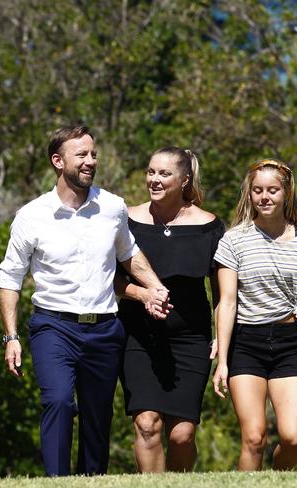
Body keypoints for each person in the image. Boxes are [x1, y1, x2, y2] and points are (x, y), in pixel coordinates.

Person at [0, 125, 169, 477]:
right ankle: (56, 482)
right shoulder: (32, 215)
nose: (91, 161)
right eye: (82, 155)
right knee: (58, 401)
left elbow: (129, 255)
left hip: (105, 328)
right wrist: (11, 336)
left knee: (97, 416)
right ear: (58, 161)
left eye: (93, 154)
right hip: (53, 327)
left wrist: (153, 287)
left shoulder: (112, 207)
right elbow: (10, 279)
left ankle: (91, 482)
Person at [212, 158, 297, 470]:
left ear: (286, 193)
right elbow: (227, 302)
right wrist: (222, 360)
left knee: (293, 439)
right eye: (258, 191)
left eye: (273, 190)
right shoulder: (234, 240)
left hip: (290, 343)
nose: (265, 197)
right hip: (246, 343)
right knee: (254, 438)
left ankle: (275, 479)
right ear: (249, 194)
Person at [115, 147, 224, 472]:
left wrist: (220, 337)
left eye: (164, 174)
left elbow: (223, 294)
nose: (155, 179)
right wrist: (144, 294)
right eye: (151, 172)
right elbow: (109, 280)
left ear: (184, 179)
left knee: (182, 435)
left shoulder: (210, 227)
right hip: (138, 337)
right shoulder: (126, 220)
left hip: (190, 341)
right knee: (147, 424)